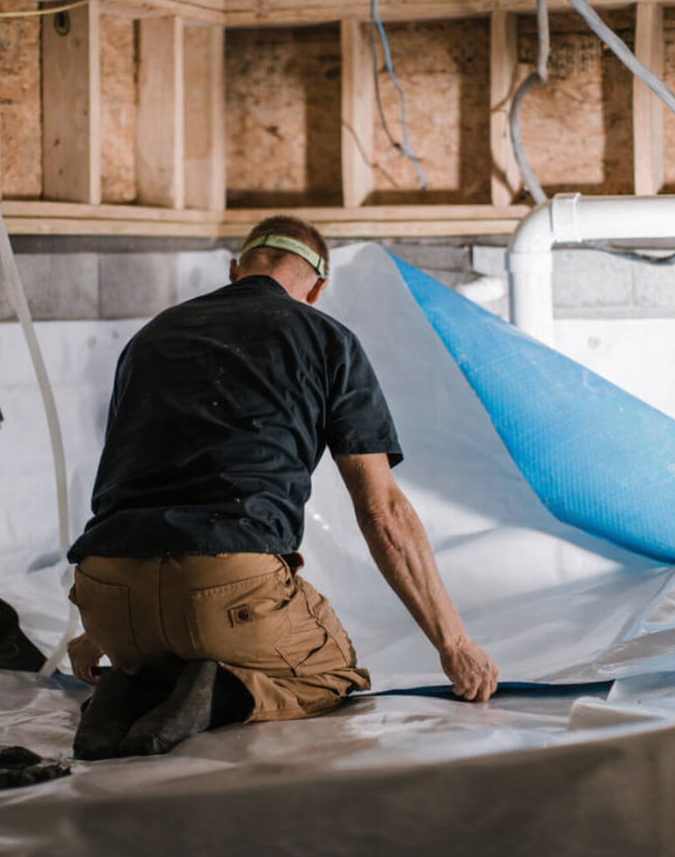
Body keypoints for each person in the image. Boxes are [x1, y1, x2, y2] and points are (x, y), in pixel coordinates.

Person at [65, 215, 498, 760]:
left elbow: (123, 486)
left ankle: (133, 684)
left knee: (161, 641)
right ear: (317, 289)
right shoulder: (326, 339)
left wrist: (103, 631)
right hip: (225, 590)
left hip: (106, 594)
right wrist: (454, 644)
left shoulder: (148, 338)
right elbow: (383, 513)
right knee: (334, 668)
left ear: (234, 271)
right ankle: (222, 694)